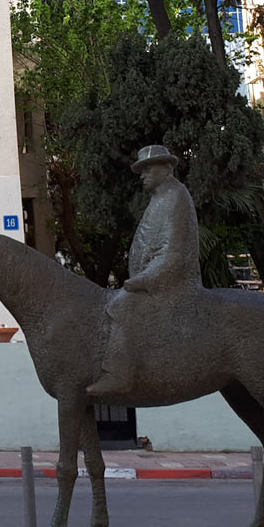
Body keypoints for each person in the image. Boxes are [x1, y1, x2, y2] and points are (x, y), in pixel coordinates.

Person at [86, 144, 205, 399]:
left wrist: (144, 279)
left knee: (123, 306)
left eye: (147, 169)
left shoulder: (176, 197)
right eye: (141, 170)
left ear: (166, 169)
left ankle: (118, 374)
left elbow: (174, 253)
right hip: (155, 282)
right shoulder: (160, 198)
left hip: (171, 285)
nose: (142, 175)